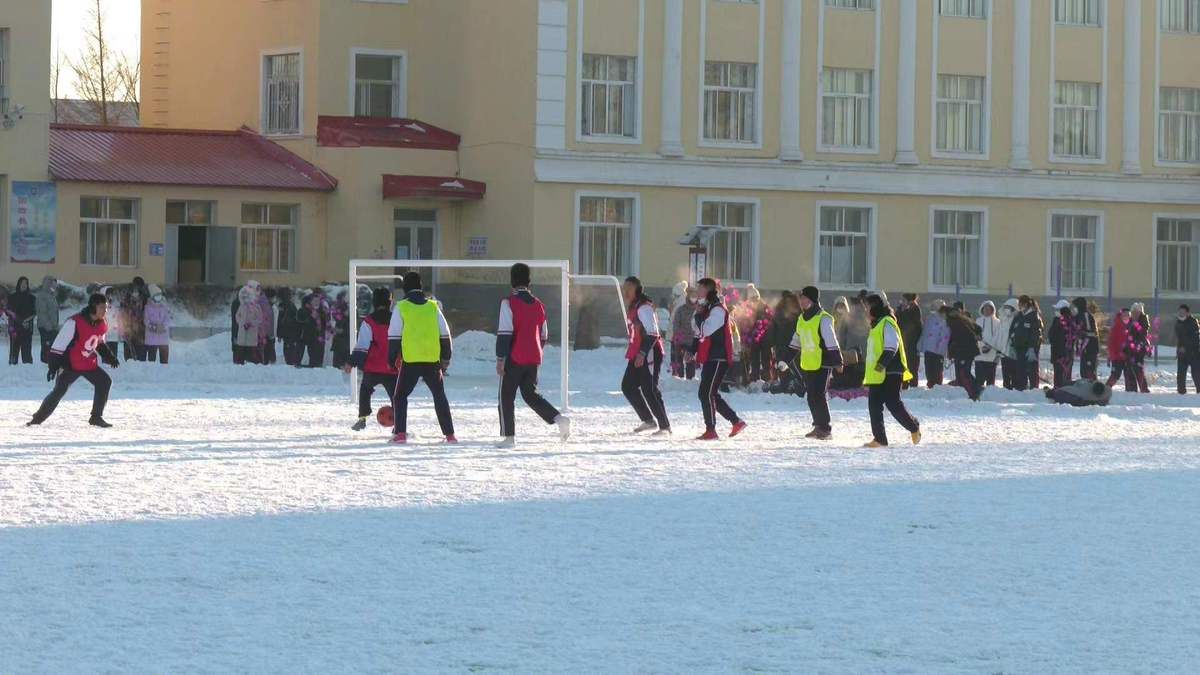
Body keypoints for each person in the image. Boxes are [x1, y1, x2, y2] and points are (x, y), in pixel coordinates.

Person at [495, 263, 571, 447]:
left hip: (515, 357)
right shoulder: (539, 304)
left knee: (505, 395)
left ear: (512, 281)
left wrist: (500, 359)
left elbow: (505, 333)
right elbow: (544, 334)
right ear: (529, 282)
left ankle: (509, 437)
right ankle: (559, 419)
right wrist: (535, 349)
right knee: (530, 394)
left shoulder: (508, 303)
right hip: (534, 357)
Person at [27, 293, 120, 428]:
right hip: (70, 364)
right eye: (102, 307)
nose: (105, 311)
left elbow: (99, 342)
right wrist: (53, 367)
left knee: (105, 382)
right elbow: (58, 346)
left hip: (88, 363)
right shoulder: (74, 322)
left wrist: (109, 357)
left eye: (106, 308)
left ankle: (96, 417)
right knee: (59, 391)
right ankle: (37, 419)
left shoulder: (102, 323)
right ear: (93, 307)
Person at [387, 271, 456, 444]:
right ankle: (450, 435)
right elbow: (445, 334)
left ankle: (400, 433)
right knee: (439, 396)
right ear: (421, 286)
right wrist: (446, 357)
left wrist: (391, 359)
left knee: (400, 396)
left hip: (411, 360)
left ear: (404, 289)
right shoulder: (433, 307)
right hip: (432, 360)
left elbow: (394, 335)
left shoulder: (401, 307)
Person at [692, 277, 747, 440]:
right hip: (710, 355)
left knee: (705, 393)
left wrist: (699, 316)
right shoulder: (706, 308)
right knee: (711, 394)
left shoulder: (718, 309)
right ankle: (736, 421)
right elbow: (696, 330)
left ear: (708, 290)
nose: (697, 291)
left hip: (718, 357)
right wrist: (692, 349)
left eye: (700, 288)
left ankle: (711, 430)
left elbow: (706, 329)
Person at [861, 299, 921, 448]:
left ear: (874, 308)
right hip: (878, 373)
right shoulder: (875, 326)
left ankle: (914, 427)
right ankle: (880, 439)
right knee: (874, 406)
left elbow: (891, 346)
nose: (865, 311)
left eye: (867, 307)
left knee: (893, 403)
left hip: (891, 370)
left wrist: (882, 364)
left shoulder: (887, 322)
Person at [789, 285, 843, 440]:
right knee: (811, 396)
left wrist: (838, 362)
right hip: (808, 362)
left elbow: (832, 342)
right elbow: (796, 341)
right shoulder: (802, 318)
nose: (801, 301)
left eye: (804, 298)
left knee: (818, 395)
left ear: (812, 300)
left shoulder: (823, 318)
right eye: (801, 298)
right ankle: (818, 426)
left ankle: (825, 429)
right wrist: (785, 359)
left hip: (823, 362)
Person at [620, 276, 671, 435]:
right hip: (636, 352)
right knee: (628, 386)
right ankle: (648, 420)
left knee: (650, 390)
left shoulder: (644, 307)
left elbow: (653, 333)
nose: (625, 290)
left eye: (629, 287)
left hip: (649, 352)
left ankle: (664, 426)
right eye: (624, 287)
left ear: (637, 289)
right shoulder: (633, 306)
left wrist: (642, 353)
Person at [347, 287, 399, 431]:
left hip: (373, 367)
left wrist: (351, 362)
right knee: (396, 398)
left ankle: (362, 419)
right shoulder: (397, 320)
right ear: (390, 302)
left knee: (365, 391)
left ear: (374, 302)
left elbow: (362, 346)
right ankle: (398, 424)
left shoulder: (368, 322)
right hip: (392, 367)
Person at [945, 303, 981, 400]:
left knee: (964, 373)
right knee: (962, 373)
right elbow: (953, 339)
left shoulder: (958, 321)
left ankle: (975, 392)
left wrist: (977, 336)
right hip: (961, 351)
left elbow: (977, 329)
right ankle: (972, 391)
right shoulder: (959, 320)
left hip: (965, 351)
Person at [1010, 295, 1043, 391]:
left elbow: (1036, 333)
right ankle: (1021, 389)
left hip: (1030, 348)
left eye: (1021, 304)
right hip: (1019, 348)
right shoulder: (1019, 316)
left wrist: (1032, 347)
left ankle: (1034, 390)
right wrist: (1012, 343)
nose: (1020, 306)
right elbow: (1013, 330)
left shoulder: (1034, 316)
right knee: (1020, 370)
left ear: (1026, 304)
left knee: (1032, 370)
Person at [917, 300, 949, 387]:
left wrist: (941, 348)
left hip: (939, 351)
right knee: (929, 368)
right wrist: (921, 345)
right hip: (929, 349)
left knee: (937, 369)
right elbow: (925, 332)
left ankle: (937, 384)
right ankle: (930, 383)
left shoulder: (946, 320)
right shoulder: (930, 318)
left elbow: (945, 336)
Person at [235, 281, 267, 364]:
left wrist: (251, 323)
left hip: (252, 337)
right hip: (242, 336)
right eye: (244, 296)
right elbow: (237, 316)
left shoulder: (256, 307)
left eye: (247, 296)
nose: (245, 298)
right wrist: (241, 323)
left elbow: (260, 319)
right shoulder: (241, 306)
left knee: (252, 356)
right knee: (240, 355)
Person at [1122, 302, 1152, 393]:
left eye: (1136, 312)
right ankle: (1131, 389)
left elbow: (1142, 333)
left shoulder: (1143, 321)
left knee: (1138, 368)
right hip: (1129, 348)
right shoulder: (1130, 321)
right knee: (1128, 368)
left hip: (1139, 348)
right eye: (1133, 312)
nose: (1134, 314)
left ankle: (1144, 388)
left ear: (1140, 313)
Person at [896, 293, 923, 390]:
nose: (902, 302)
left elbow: (909, 324)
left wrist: (901, 311)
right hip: (905, 342)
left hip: (911, 343)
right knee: (905, 364)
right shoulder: (908, 310)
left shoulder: (914, 310)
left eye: (903, 300)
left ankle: (912, 384)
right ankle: (905, 383)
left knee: (912, 365)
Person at [1047, 300, 1076, 388]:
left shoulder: (1060, 321)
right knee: (1063, 375)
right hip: (1064, 353)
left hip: (1060, 353)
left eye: (1058, 309)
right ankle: (1062, 390)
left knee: (1061, 375)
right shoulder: (1069, 321)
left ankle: (1060, 391)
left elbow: (1052, 336)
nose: (1056, 311)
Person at [671, 288, 698, 380]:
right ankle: (679, 377)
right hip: (681, 339)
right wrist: (677, 336)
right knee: (678, 359)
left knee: (691, 361)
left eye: (695, 296)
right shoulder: (681, 309)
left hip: (693, 340)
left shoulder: (699, 310)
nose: (693, 298)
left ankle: (690, 378)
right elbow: (676, 324)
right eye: (692, 296)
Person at [8, 276, 35, 364]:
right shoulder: (12, 297)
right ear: (19, 284)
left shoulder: (31, 298)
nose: (24, 285)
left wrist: (26, 321)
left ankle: (27, 372)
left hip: (27, 328)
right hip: (15, 329)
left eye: (26, 283)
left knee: (27, 354)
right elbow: (10, 312)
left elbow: (34, 312)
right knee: (13, 354)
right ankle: (12, 372)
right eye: (22, 283)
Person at [975, 301, 1003, 388]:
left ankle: (989, 395)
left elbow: (998, 337)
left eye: (989, 309)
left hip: (992, 356)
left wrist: (989, 346)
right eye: (985, 309)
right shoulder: (978, 321)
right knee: (979, 380)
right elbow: (975, 335)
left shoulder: (997, 322)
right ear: (982, 310)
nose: (987, 311)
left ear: (993, 310)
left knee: (990, 381)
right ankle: (977, 394)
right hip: (979, 355)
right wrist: (980, 345)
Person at [143, 285, 172, 364]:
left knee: (164, 361)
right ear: (152, 296)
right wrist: (154, 327)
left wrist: (163, 327)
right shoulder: (147, 307)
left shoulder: (165, 306)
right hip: (151, 338)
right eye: (156, 295)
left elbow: (168, 319)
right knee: (151, 360)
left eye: (159, 295)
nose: (159, 297)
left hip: (163, 338)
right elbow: (146, 320)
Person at [1175, 304, 1200, 394]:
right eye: (1180, 311)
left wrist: (1185, 347)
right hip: (1182, 353)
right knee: (1181, 373)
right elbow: (1179, 338)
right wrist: (1179, 349)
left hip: (1193, 353)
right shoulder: (1178, 322)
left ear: (1188, 313)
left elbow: (1195, 339)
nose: (1181, 313)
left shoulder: (1193, 323)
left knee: (1196, 373)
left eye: (1183, 312)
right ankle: (1181, 391)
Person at [34, 276, 59, 364]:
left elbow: (54, 312)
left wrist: (55, 326)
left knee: (52, 346)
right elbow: (42, 313)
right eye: (52, 284)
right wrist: (49, 326)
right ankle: (45, 362)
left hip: (53, 326)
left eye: (55, 284)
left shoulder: (52, 295)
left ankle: (50, 362)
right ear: (47, 284)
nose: (54, 286)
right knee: (46, 345)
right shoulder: (42, 295)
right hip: (45, 327)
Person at [1073, 297, 1099, 381]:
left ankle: (1092, 387)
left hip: (1090, 346)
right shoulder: (1080, 315)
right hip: (1086, 347)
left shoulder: (1085, 316)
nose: (1074, 309)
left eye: (1075, 307)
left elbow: (1089, 331)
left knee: (1089, 369)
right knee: (1084, 369)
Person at [1105, 308, 1132, 389]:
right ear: (1121, 316)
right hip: (1117, 357)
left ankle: (1130, 391)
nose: (1126, 317)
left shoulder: (1130, 326)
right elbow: (1111, 343)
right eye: (1124, 315)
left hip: (1127, 355)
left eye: (1128, 315)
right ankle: (1105, 389)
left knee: (1128, 374)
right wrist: (1113, 355)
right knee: (1115, 374)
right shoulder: (1116, 327)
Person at [277, 289, 304, 366]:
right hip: (290, 332)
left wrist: (279, 334)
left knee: (288, 349)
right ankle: (291, 362)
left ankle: (290, 362)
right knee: (289, 348)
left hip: (288, 332)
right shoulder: (290, 305)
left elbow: (280, 321)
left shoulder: (286, 305)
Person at [997, 298, 1020, 389]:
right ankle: (1006, 388)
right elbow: (1000, 335)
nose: (1007, 309)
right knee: (1005, 373)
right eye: (1006, 307)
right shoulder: (1002, 320)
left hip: (1013, 351)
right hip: (1003, 352)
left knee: (1014, 372)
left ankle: (1014, 389)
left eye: (1009, 307)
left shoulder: (1017, 320)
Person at [331, 290, 351, 370]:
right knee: (339, 361)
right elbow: (337, 319)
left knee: (341, 360)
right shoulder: (340, 307)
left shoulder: (347, 308)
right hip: (342, 338)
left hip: (345, 337)